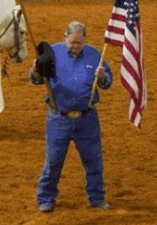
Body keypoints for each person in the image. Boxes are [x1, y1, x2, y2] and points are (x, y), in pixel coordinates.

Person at [29, 21, 113, 213]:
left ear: (85, 40)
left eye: (79, 43)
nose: (75, 46)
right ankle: (46, 198)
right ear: (65, 36)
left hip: (87, 118)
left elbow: (108, 83)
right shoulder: (51, 53)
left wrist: (102, 77)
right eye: (72, 42)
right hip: (59, 118)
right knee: (53, 161)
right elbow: (35, 79)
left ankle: (96, 197)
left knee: (93, 160)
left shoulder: (95, 54)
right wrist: (35, 70)